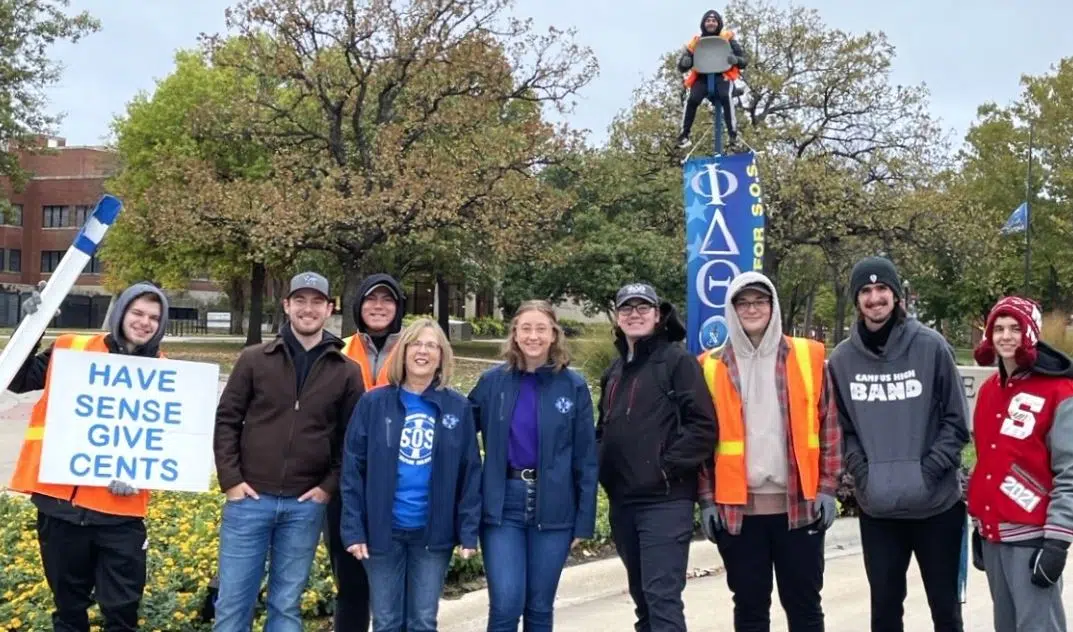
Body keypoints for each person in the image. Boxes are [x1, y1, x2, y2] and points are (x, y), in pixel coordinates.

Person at [7, 281, 170, 632]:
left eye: (154, 317)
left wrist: (141, 475)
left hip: (120, 513)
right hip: (60, 506)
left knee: (122, 612)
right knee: (68, 611)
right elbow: (16, 380)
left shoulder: (166, 374)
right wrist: (31, 328)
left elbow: (168, 443)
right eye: (138, 312)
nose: (144, 322)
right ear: (121, 311)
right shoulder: (71, 348)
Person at [212, 271, 364, 631]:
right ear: (286, 305)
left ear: (329, 309)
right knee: (233, 604)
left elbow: (351, 440)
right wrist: (231, 480)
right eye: (300, 300)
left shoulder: (346, 371)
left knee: (285, 606)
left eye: (316, 302)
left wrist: (328, 487)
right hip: (248, 500)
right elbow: (227, 421)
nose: (307, 309)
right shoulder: (254, 359)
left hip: (304, 507)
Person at [827, 256, 970, 632]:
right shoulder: (841, 360)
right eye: (866, 291)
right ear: (857, 300)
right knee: (885, 614)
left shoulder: (932, 347)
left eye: (882, 289)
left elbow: (957, 423)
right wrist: (864, 473)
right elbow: (842, 429)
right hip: (879, 512)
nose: (875, 298)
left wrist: (926, 473)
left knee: (946, 612)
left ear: (896, 294)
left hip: (936, 508)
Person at [696, 272, 842, 632]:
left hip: (800, 507)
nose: (752, 308)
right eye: (743, 302)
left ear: (773, 306)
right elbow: (700, 443)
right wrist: (706, 500)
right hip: (738, 513)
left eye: (760, 301)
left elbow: (830, 428)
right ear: (732, 310)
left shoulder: (809, 357)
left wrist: (827, 488)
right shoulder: (709, 366)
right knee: (749, 610)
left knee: (805, 607)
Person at [340, 318, 482, 632]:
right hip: (382, 532)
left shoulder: (457, 408)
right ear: (402, 353)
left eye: (431, 345)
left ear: (442, 356)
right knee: (387, 621)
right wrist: (354, 529)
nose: (423, 351)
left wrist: (468, 530)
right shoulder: (374, 403)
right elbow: (352, 469)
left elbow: (470, 471)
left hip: (433, 534)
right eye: (416, 344)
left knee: (422, 621)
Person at [468, 300, 599, 632]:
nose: (533, 336)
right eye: (525, 328)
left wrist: (583, 521)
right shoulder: (491, 383)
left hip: (554, 506)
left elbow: (586, 457)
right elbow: (459, 431)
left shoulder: (573, 386)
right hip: (502, 505)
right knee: (506, 604)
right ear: (514, 334)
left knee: (540, 607)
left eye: (541, 328)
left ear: (554, 334)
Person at [597, 282, 718, 632]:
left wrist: (664, 467)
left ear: (657, 314)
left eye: (643, 308)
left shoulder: (677, 361)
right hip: (623, 502)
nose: (634, 314)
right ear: (618, 318)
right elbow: (602, 429)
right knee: (642, 599)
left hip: (665, 502)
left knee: (662, 598)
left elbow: (703, 427)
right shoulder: (614, 372)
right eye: (627, 308)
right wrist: (600, 462)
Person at [968, 296, 1073, 632]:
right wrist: (979, 522)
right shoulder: (987, 391)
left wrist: (1057, 541)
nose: (1006, 336)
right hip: (994, 537)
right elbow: (986, 462)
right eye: (998, 328)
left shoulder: (1060, 391)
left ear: (1032, 333)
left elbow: (1069, 473)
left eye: (1016, 328)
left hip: (1034, 539)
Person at [330, 273, 407, 631]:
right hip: (346, 482)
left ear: (398, 307)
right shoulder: (339, 349)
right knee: (351, 585)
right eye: (371, 299)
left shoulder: (414, 351)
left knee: (395, 588)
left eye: (387, 300)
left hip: (400, 485)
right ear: (358, 306)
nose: (378, 306)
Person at [676, 9, 748, 150]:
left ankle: (733, 135)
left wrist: (735, 60)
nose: (711, 23)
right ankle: (684, 135)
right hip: (703, 77)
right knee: (692, 99)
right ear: (703, 24)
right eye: (708, 21)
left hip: (723, 76)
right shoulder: (696, 42)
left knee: (725, 96)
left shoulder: (728, 39)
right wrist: (685, 62)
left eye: (714, 21)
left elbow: (743, 60)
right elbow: (684, 65)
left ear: (718, 23)